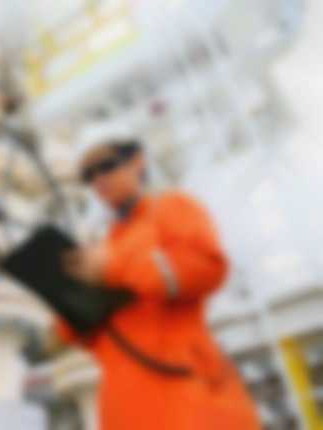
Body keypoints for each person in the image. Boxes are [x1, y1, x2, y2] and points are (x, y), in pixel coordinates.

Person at [56, 124, 261, 430]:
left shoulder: (172, 207)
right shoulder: (103, 246)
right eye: (88, 175)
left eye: (106, 165)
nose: (98, 180)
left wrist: (113, 267)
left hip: (188, 402)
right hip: (126, 409)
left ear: (138, 161)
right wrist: (66, 304)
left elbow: (206, 268)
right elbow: (100, 338)